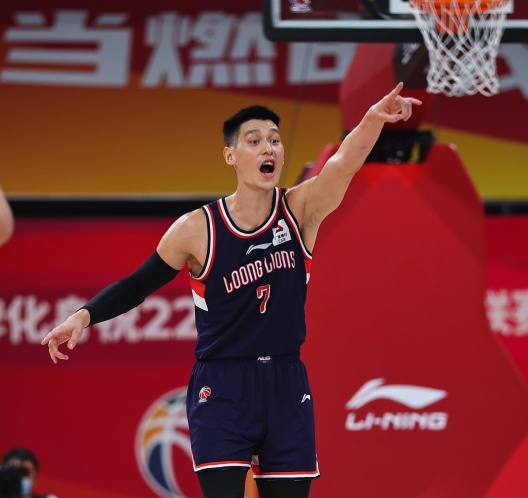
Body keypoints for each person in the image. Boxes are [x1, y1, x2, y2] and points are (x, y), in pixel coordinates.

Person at [41, 83, 421, 498]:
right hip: (222, 384)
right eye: (254, 141)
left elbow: (344, 163)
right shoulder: (196, 229)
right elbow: (135, 286)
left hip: (285, 380)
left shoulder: (300, 210)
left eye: (274, 140)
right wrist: (82, 317)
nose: (268, 148)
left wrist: (373, 119)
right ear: (231, 156)